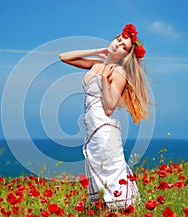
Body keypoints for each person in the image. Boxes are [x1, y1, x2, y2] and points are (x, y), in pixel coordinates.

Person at [59, 24, 150, 210]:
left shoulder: (119, 72)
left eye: (124, 47)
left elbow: (109, 107)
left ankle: (124, 209)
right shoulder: (96, 65)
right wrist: (97, 51)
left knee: (110, 175)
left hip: (103, 130)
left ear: (126, 56)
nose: (118, 45)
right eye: (118, 40)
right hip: (92, 130)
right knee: (99, 175)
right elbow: (63, 57)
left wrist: (104, 81)